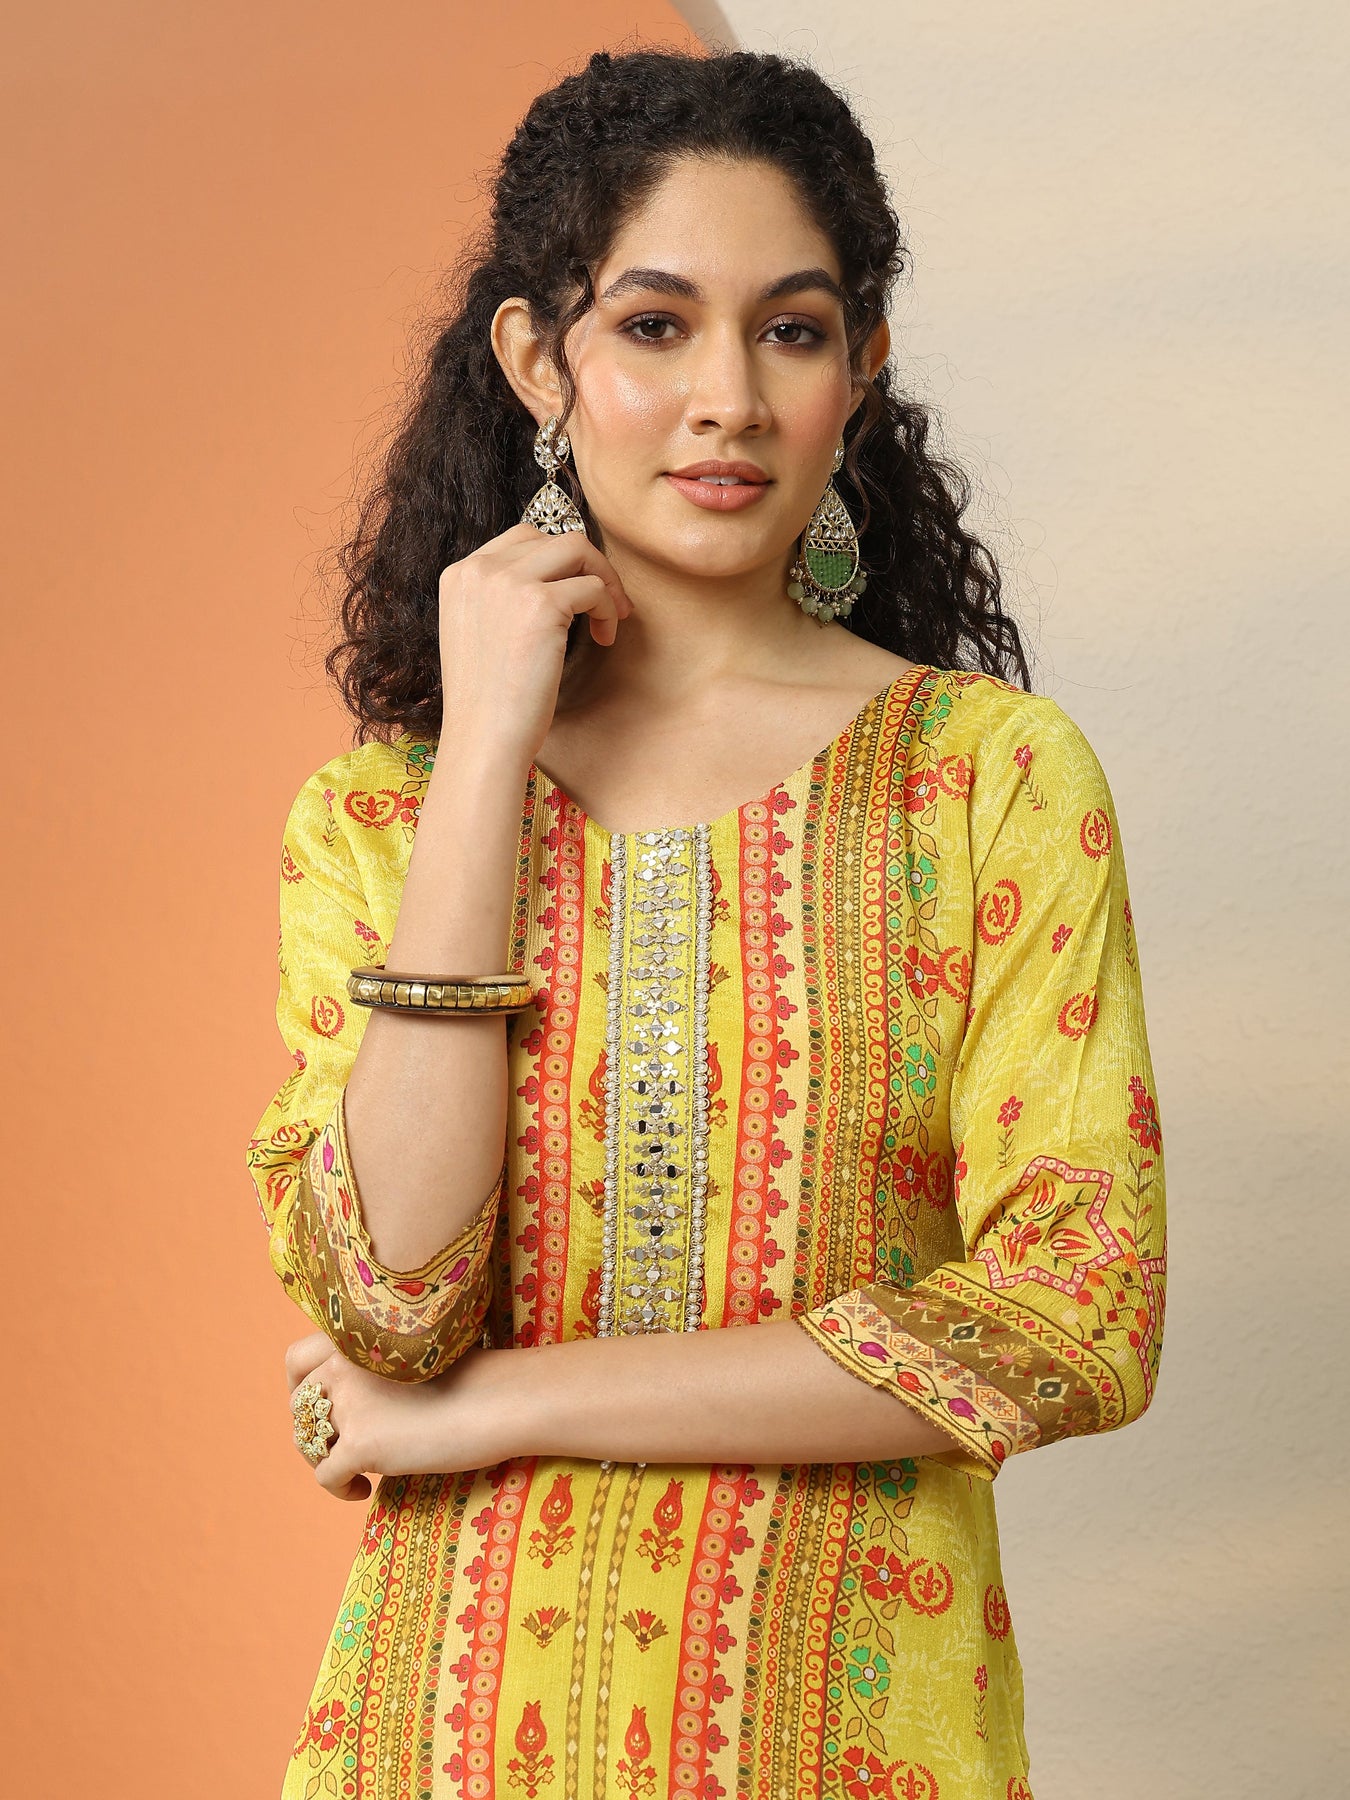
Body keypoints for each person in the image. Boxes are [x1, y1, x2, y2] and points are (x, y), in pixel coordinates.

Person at [246, 47, 1167, 1800]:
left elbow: (1076, 1307)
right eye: (656, 326)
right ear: (539, 360)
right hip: (440, 1736)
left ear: (861, 366)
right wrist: (484, 746)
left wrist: (499, 1410)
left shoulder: (984, 780)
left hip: (854, 1738)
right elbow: (390, 1302)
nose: (726, 398)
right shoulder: (379, 818)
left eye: (790, 331)